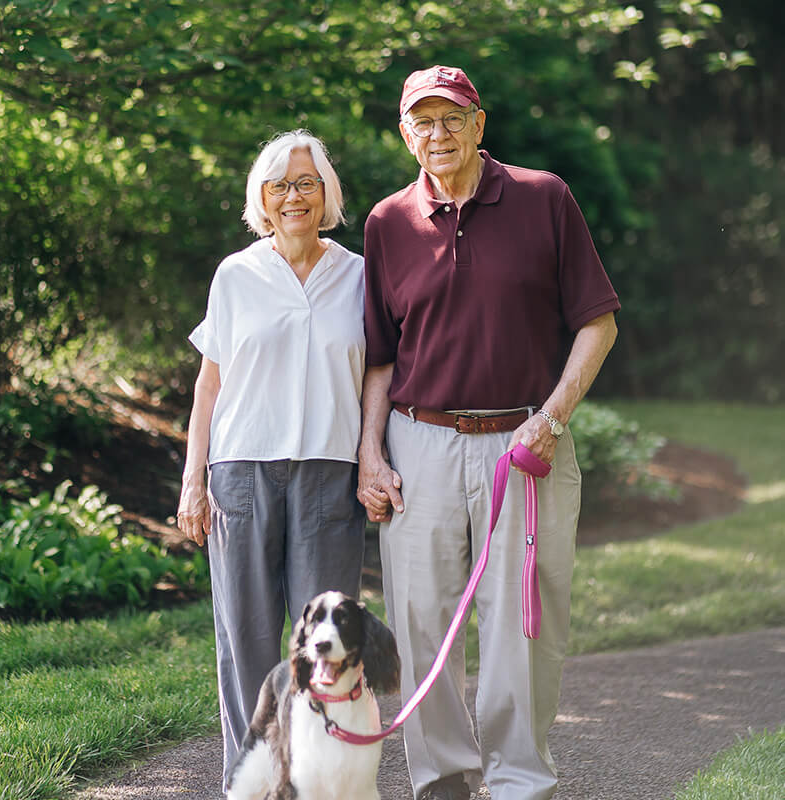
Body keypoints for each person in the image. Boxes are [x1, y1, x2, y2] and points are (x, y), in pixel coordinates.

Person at [357, 66, 620, 800]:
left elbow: (597, 323)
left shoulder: (543, 197)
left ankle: (518, 784)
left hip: (526, 445)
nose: (436, 135)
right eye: (422, 123)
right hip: (420, 442)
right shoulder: (387, 222)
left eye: (451, 120)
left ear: (479, 124)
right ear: (406, 134)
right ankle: (442, 779)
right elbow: (381, 356)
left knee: (524, 625)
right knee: (419, 620)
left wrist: (553, 417)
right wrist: (370, 453)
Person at [176, 130, 367, 790]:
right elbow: (210, 384)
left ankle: (320, 781)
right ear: (262, 196)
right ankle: (250, 784)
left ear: (327, 194)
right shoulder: (236, 274)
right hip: (241, 475)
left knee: (327, 648)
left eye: (307, 183)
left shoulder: (359, 275)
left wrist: (372, 459)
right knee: (247, 644)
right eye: (281, 185)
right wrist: (192, 479)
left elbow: (381, 373)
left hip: (329, 476)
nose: (294, 196)